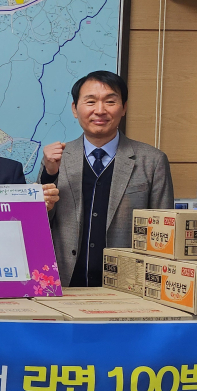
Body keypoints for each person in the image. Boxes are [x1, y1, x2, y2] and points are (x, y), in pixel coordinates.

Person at [39, 70, 174, 287]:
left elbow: (165, 232)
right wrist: (50, 174)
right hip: (65, 284)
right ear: (75, 109)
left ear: (124, 107)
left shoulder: (152, 161)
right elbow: (39, 224)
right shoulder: (56, 159)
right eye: (90, 101)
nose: (100, 110)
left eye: (110, 101)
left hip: (129, 285)